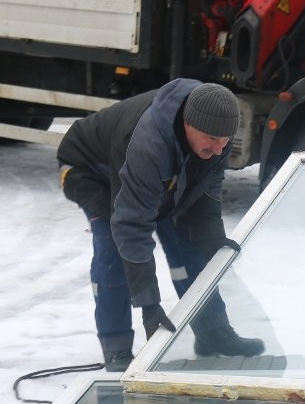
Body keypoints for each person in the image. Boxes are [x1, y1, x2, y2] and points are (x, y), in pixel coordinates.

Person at [58, 79, 264, 372]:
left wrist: (212, 240)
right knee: (115, 248)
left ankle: (213, 332)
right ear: (188, 124)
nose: (219, 150)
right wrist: (149, 306)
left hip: (154, 173)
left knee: (190, 243)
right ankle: (117, 349)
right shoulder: (147, 144)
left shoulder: (216, 131)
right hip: (93, 171)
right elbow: (131, 224)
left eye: (225, 140)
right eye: (212, 139)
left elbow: (205, 190)